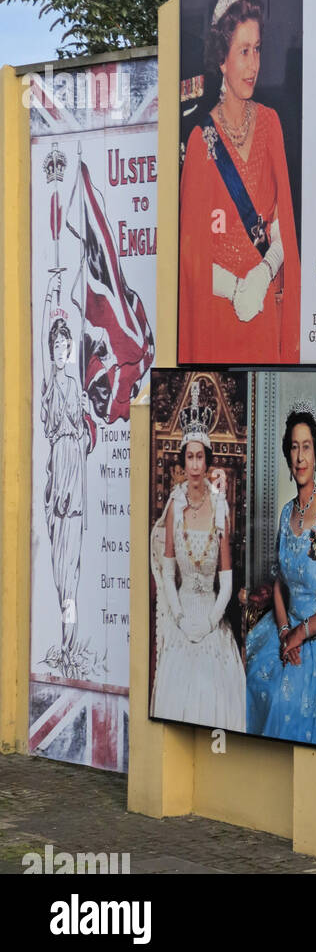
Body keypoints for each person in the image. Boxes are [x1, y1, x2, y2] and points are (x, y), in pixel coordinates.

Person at [178, 0, 301, 363]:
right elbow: (193, 257)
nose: (253, 64)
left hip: (264, 306)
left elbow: (284, 225)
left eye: (258, 49)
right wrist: (235, 289)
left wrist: (263, 273)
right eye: (243, 52)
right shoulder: (202, 142)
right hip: (220, 314)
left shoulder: (270, 123)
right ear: (223, 60)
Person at [246, 409, 316, 748]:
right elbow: (279, 584)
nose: (300, 456)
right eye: (294, 447)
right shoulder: (285, 513)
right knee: (249, 675)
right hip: (284, 626)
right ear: (288, 455)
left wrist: (300, 635)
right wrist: (282, 631)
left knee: (285, 699)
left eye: (306, 447)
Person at [150, 382, 245, 730]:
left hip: (211, 615)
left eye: (200, 456)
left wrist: (207, 623)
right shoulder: (174, 505)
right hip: (182, 612)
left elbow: (228, 582)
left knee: (212, 688)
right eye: (188, 457)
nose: (194, 465)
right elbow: (168, 570)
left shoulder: (220, 508)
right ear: (182, 461)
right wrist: (179, 617)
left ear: (208, 460)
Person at [39, 272, 89, 677]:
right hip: (57, 479)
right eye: (55, 344)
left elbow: (86, 440)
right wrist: (49, 302)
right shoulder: (52, 385)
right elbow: (40, 347)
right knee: (58, 572)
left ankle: (70, 645)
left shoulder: (76, 387)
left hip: (76, 482)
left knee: (70, 571)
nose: (58, 350)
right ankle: (64, 634)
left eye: (63, 345)